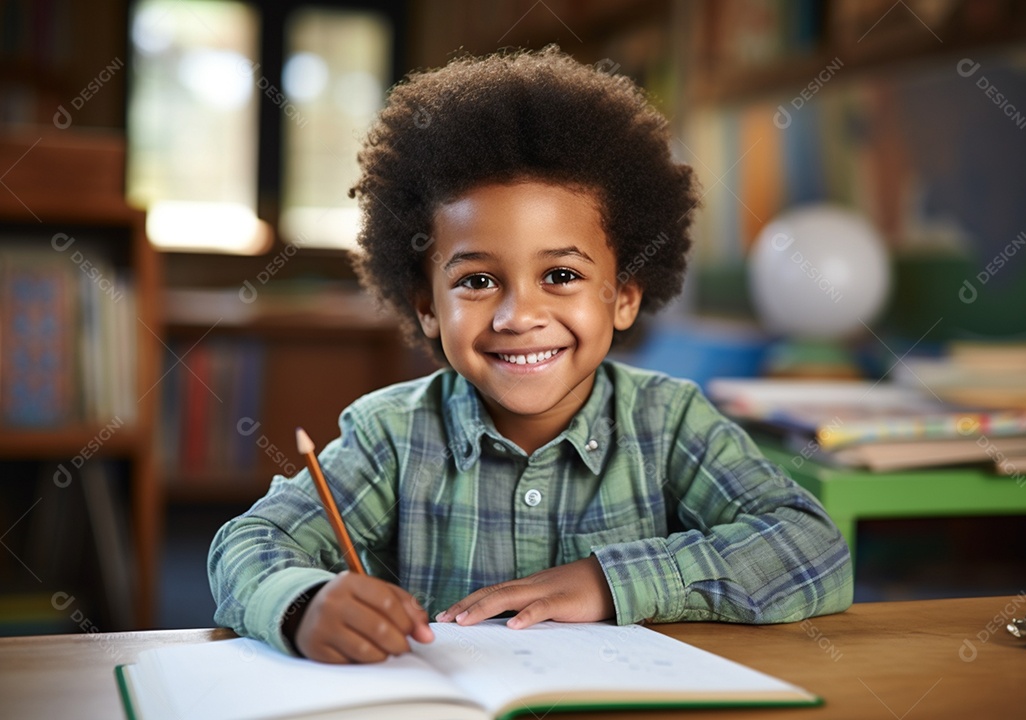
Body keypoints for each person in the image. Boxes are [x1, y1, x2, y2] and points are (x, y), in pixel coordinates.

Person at [208, 46, 853, 665]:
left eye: (562, 276)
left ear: (624, 296)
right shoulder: (391, 436)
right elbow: (248, 545)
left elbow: (815, 548)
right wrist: (304, 602)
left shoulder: (671, 421)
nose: (519, 317)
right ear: (428, 306)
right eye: (477, 281)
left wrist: (610, 582)